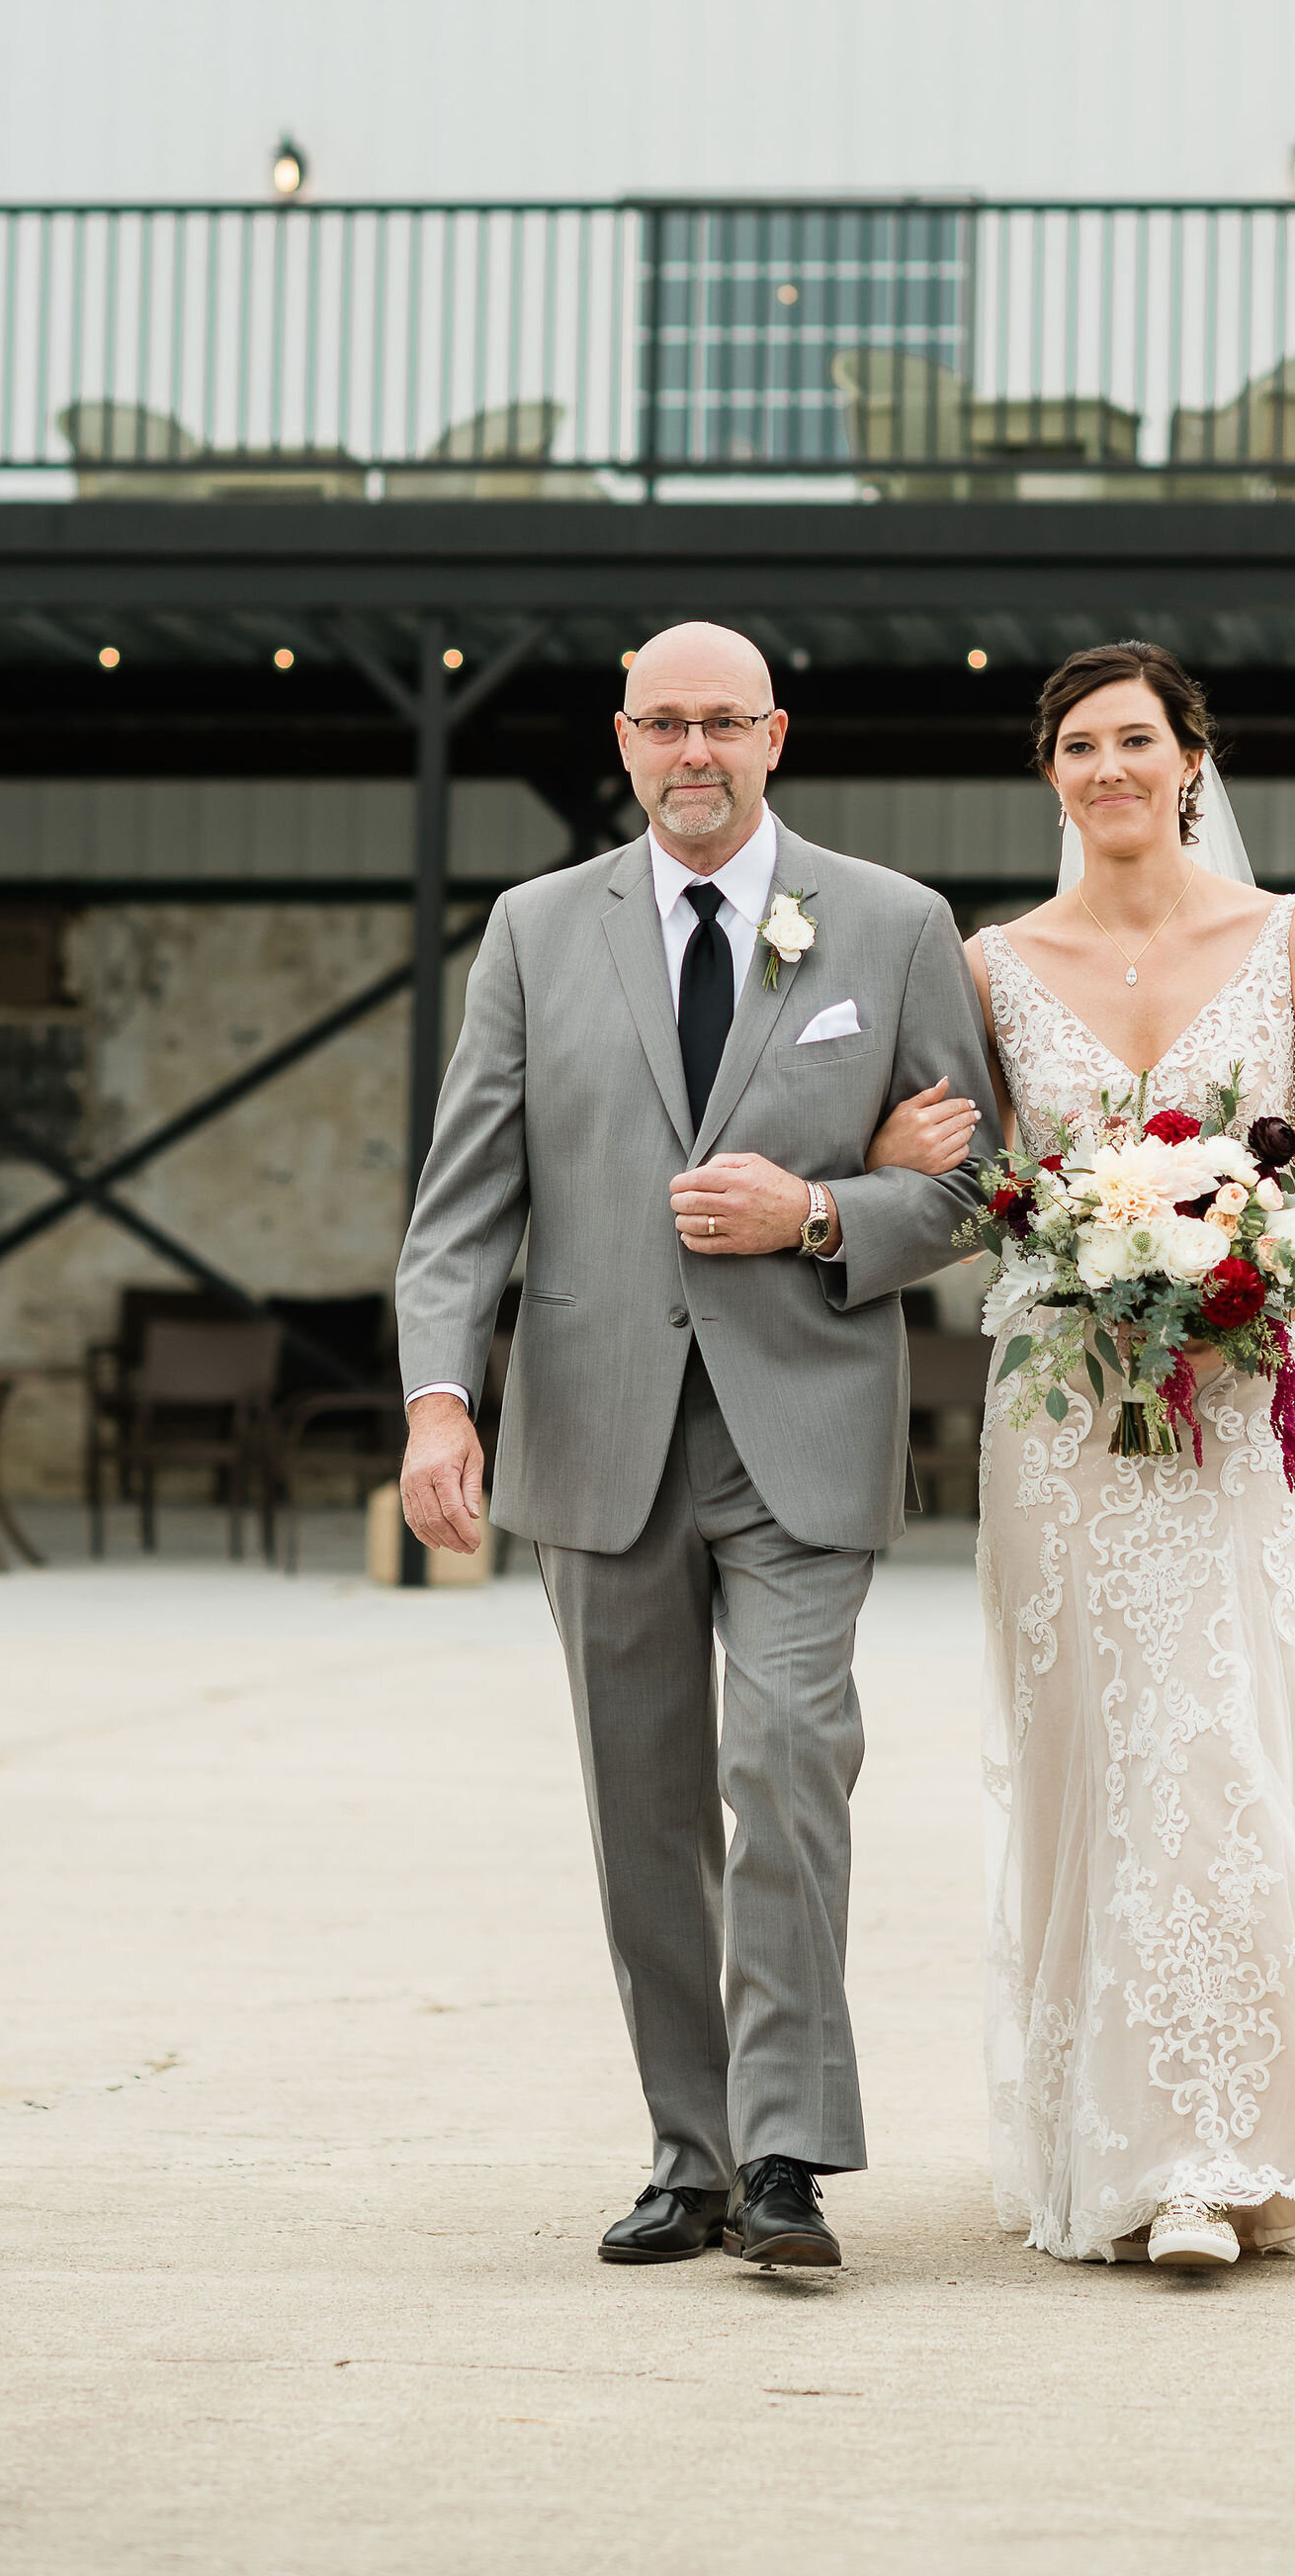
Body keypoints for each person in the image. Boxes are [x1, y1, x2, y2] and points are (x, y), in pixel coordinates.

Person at [873, 642, 1295, 2269]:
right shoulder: (987, 969)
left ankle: (1233, 2147)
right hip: (1067, 1415)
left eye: (1136, 739)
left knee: (1231, 1735)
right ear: (1048, 775)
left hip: (1251, 1399)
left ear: (1194, 757)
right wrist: (917, 1163)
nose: (1108, 768)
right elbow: (967, 1188)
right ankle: (1132, 2137)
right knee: (1103, 1749)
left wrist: (1240, 1273)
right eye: (1077, 746)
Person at [395, 621, 995, 2270]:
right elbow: (464, 1205)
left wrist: (816, 1208)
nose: (694, 753)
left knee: (786, 1763)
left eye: (724, 722)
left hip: (803, 1427)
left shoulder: (892, 924)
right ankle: (693, 2148)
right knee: (644, 1802)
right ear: (626, 737)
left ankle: (791, 2150)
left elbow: (971, 1187)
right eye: (664, 724)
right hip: (593, 1438)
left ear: (776, 735)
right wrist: (438, 1395)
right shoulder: (531, 931)